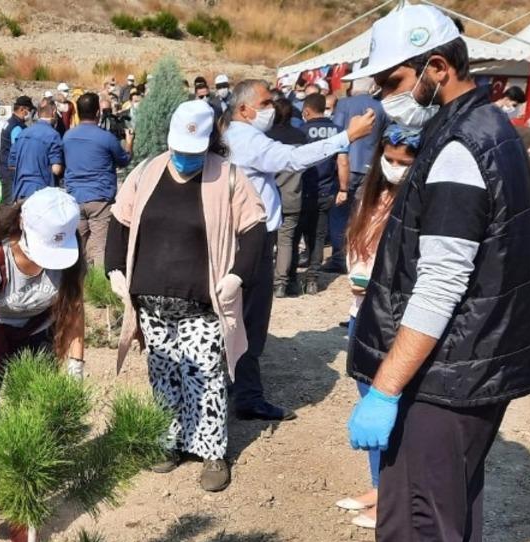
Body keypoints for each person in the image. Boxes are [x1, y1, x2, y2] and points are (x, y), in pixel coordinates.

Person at [343, 6, 530, 542]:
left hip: (444, 381)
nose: (382, 96)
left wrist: (385, 386)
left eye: (392, 80)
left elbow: (439, 286)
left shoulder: (458, 149)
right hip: (475, 371)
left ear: (437, 68)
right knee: (452, 531)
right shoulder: (490, 129)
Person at [105, 100, 267, 493]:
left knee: (204, 374)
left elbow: (255, 229)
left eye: (193, 153)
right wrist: (115, 269)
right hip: (151, 303)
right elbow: (119, 220)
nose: (184, 159)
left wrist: (237, 276)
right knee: (162, 373)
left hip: (201, 302)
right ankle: (169, 442)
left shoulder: (228, 177)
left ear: (209, 144)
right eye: (179, 150)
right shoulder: (146, 172)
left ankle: (212, 451)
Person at [224, 79, 375, 422]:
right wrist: (345, 138)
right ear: (244, 108)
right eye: (265, 102)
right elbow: (292, 159)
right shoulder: (245, 139)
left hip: (237, 235)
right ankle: (246, 395)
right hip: (253, 237)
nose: (271, 107)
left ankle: (233, 383)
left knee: (237, 315)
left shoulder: (228, 136)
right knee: (250, 319)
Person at [336, 125, 420, 530]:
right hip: (360, 316)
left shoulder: (420, 206)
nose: (396, 169)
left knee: (394, 412)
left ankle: (395, 500)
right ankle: (378, 486)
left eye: (406, 163)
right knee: (369, 404)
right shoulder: (370, 197)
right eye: (390, 160)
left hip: (394, 324)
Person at [0, 187, 85, 398]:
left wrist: (76, 366)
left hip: (36, 330)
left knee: (39, 406)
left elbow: (74, 309)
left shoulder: (70, 256)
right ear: (22, 223)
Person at [63, 92, 133, 265]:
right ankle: (98, 288)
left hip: (75, 197)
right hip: (100, 198)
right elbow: (124, 160)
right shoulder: (106, 138)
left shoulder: (67, 137)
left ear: (78, 113)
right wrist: (130, 143)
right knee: (100, 247)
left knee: (78, 246)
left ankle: (78, 285)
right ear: (97, 113)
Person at [331, 76, 388, 272]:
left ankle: (339, 258)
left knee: (340, 213)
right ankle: (358, 256)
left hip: (346, 164)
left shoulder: (344, 104)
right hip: (370, 167)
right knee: (362, 212)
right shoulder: (381, 107)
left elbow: (337, 133)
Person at [299, 92, 348, 295]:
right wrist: (344, 188)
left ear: (307, 111)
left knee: (301, 233)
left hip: (303, 191)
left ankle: (294, 276)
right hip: (327, 189)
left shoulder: (300, 131)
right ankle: (313, 279)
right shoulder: (337, 131)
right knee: (319, 234)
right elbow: (342, 161)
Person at [264, 98, 311, 298]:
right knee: (286, 242)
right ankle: (282, 283)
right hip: (293, 196)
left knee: (267, 242)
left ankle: (266, 278)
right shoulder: (300, 135)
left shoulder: (265, 138)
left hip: (269, 198)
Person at [8, 102, 63, 202]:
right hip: (42, 193)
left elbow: (12, 165)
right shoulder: (53, 135)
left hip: (20, 191)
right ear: (54, 112)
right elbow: (56, 169)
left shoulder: (22, 133)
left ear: (38, 113)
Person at [0, 96, 34, 207]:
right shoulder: (17, 127)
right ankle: (1, 224)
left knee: (8, 202)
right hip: (11, 172)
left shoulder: (10, 122)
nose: (30, 113)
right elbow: (19, 150)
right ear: (22, 109)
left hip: (5, 168)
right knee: (9, 204)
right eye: (30, 110)